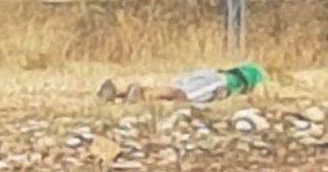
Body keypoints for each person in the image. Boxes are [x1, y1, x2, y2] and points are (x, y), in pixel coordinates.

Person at [97, 63, 266, 105]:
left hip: (212, 74)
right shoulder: (233, 84)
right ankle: (141, 94)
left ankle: (118, 90)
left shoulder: (222, 73)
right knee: (180, 94)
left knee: (175, 89)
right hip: (217, 82)